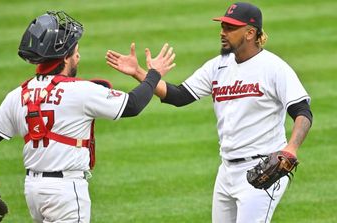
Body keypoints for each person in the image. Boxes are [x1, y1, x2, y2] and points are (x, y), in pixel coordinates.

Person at [106, 2, 312, 222]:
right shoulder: (218, 65)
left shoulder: (274, 67)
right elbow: (179, 96)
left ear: (251, 33)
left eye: (230, 28)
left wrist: (291, 147)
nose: (223, 32)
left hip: (262, 170)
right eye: (223, 26)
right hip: (226, 170)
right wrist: (139, 72)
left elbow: (302, 111)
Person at [0, 10, 175, 223]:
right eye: (75, 51)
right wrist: (153, 74)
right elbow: (134, 105)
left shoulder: (18, 95)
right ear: (64, 57)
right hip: (65, 193)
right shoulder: (81, 91)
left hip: (33, 191)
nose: (78, 56)